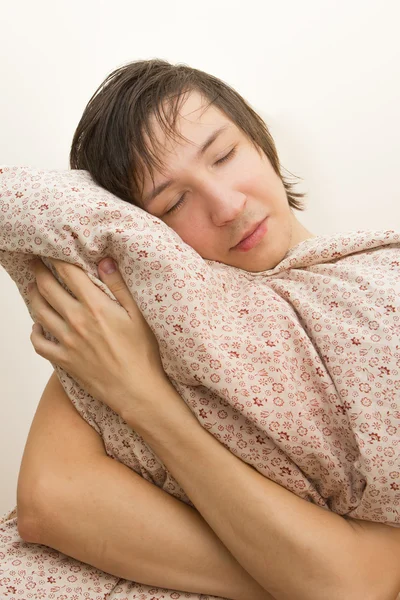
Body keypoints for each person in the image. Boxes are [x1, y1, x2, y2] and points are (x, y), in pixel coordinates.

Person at [15, 59, 400, 600]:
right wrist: (298, 569)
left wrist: (145, 399)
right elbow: (51, 500)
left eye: (223, 156)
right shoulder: (137, 320)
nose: (227, 205)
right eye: (173, 203)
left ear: (260, 140)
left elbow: (360, 583)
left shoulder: (381, 286)